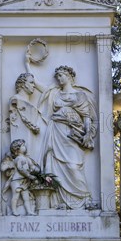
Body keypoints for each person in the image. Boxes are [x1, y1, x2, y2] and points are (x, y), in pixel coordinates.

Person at [37, 65, 97, 209]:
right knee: (54, 165)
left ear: (69, 76)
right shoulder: (55, 94)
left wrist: (88, 134)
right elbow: (42, 89)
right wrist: (27, 65)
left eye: (61, 75)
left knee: (73, 166)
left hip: (72, 134)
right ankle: (59, 202)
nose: (59, 78)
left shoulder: (79, 95)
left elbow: (86, 117)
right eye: (57, 76)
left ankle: (85, 199)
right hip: (56, 131)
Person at [1, 139, 40, 216]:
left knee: (26, 198)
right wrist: (30, 176)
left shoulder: (26, 158)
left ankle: (29, 211)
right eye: (23, 146)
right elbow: (20, 169)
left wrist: (34, 170)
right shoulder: (18, 159)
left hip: (24, 181)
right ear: (17, 149)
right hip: (16, 180)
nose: (25, 147)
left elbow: (32, 166)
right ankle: (14, 211)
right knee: (15, 196)